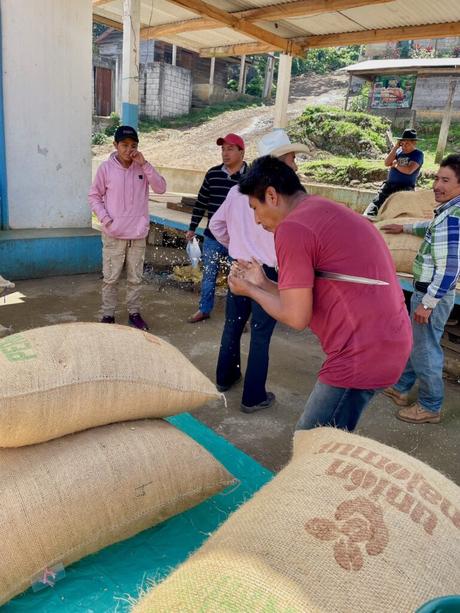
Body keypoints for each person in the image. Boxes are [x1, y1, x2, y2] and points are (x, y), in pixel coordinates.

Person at [228, 155, 412, 432]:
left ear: (271, 195)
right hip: (386, 343)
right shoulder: (321, 210)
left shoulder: (292, 228)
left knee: (309, 443)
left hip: (361, 352)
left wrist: (250, 291)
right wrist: (264, 283)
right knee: (331, 443)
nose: (255, 220)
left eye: (255, 208)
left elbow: (295, 316)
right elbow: (301, 299)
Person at [210, 129, 309, 412]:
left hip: (239, 269)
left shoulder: (235, 191)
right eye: (291, 158)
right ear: (279, 163)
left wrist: (237, 249)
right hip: (268, 274)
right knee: (260, 334)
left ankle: (224, 379)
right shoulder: (288, 198)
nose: (295, 165)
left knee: (233, 325)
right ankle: (253, 397)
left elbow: (216, 226)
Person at [382, 154, 460, 424]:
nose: (437, 185)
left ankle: (430, 405)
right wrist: (403, 226)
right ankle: (402, 388)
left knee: (425, 350)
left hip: (431, 294)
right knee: (418, 344)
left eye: (445, 180)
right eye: (437, 178)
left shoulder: (453, 218)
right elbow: (431, 228)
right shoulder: (449, 211)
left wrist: (428, 303)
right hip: (428, 292)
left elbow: (449, 270)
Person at [89, 125, 166, 330]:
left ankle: (134, 313)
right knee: (111, 278)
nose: (128, 149)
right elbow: (94, 196)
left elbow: (161, 188)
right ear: (115, 145)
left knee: (135, 279)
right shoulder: (105, 169)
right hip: (114, 234)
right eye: (124, 145)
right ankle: (108, 315)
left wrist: (145, 163)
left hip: (137, 235)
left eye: (133, 145)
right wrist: (107, 220)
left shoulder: (142, 167)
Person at [186, 134, 247, 323]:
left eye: (230, 149)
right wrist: (192, 227)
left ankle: (237, 316)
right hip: (213, 236)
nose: (225, 153)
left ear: (241, 152)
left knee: (237, 279)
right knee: (209, 275)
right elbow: (201, 201)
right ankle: (204, 309)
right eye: (223, 149)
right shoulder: (212, 174)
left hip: (238, 240)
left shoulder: (251, 177)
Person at [363, 128, 424, 219]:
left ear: (414, 143)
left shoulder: (418, 154)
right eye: (403, 142)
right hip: (389, 186)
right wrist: (396, 147)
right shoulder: (398, 151)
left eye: (407, 143)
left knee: (398, 215)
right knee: (373, 208)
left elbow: (409, 170)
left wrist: (396, 165)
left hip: (405, 188)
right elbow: (387, 163)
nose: (404, 145)